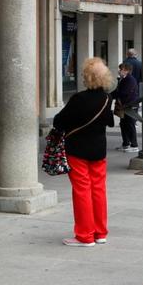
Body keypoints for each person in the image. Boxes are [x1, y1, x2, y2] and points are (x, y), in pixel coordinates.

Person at [53, 57, 115, 247]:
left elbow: (59, 121)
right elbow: (110, 122)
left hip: (78, 149)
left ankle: (84, 235)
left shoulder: (79, 99)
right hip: (98, 149)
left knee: (82, 190)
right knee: (98, 189)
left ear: (87, 77)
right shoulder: (106, 98)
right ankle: (100, 232)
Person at [113, 61, 140, 154]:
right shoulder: (124, 79)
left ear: (126, 70)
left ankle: (134, 145)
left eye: (121, 69)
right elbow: (118, 91)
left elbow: (123, 92)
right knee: (123, 124)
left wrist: (112, 96)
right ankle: (126, 143)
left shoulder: (130, 80)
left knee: (130, 124)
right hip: (125, 105)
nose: (119, 71)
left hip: (130, 105)